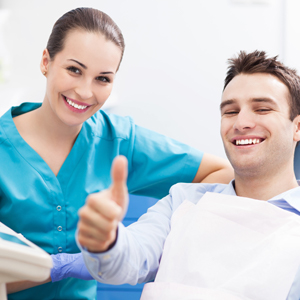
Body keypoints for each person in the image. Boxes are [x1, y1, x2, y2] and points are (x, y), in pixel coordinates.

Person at [2, 7, 233, 300]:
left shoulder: (120, 140)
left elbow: (221, 175)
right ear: (46, 61)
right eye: (74, 70)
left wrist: (144, 236)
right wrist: (57, 268)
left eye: (103, 78)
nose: (85, 92)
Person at [77, 50, 300, 300]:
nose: (241, 122)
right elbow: (129, 259)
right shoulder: (183, 201)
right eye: (230, 111)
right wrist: (107, 240)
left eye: (262, 109)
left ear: (297, 127)